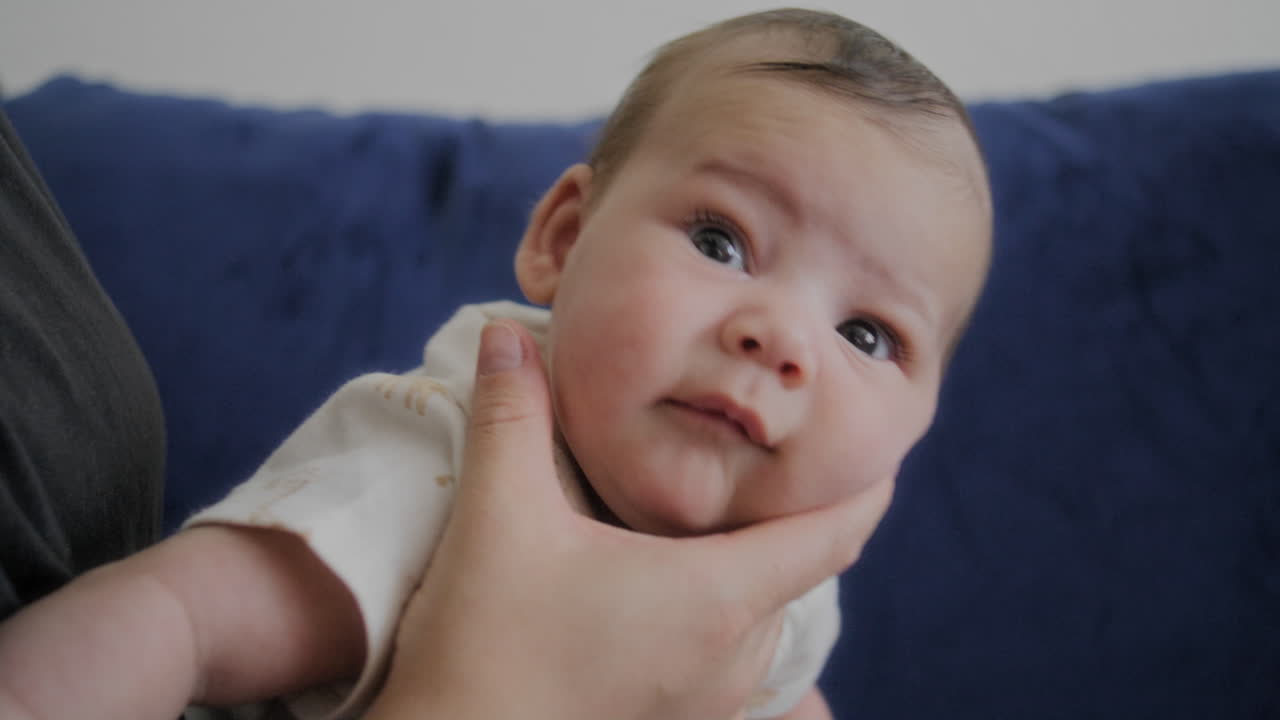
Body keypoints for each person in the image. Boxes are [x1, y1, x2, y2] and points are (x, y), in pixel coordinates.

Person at [1, 7, 991, 720]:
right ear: (564, 239)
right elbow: (176, 617)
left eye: (868, 335)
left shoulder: (786, 579)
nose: (779, 338)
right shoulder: (439, 471)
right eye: (719, 241)